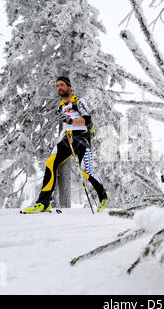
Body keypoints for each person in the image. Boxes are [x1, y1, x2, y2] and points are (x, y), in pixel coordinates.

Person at [22, 76, 108, 213]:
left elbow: (87, 120)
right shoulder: (61, 105)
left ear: (69, 87)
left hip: (82, 139)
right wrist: (64, 121)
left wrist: (69, 120)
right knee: (51, 163)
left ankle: (103, 196)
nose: (59, 88)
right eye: (57, 86)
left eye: (62, 85)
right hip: (68, 139)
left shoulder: (78, 101)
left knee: (86, 171)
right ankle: (43, 202)